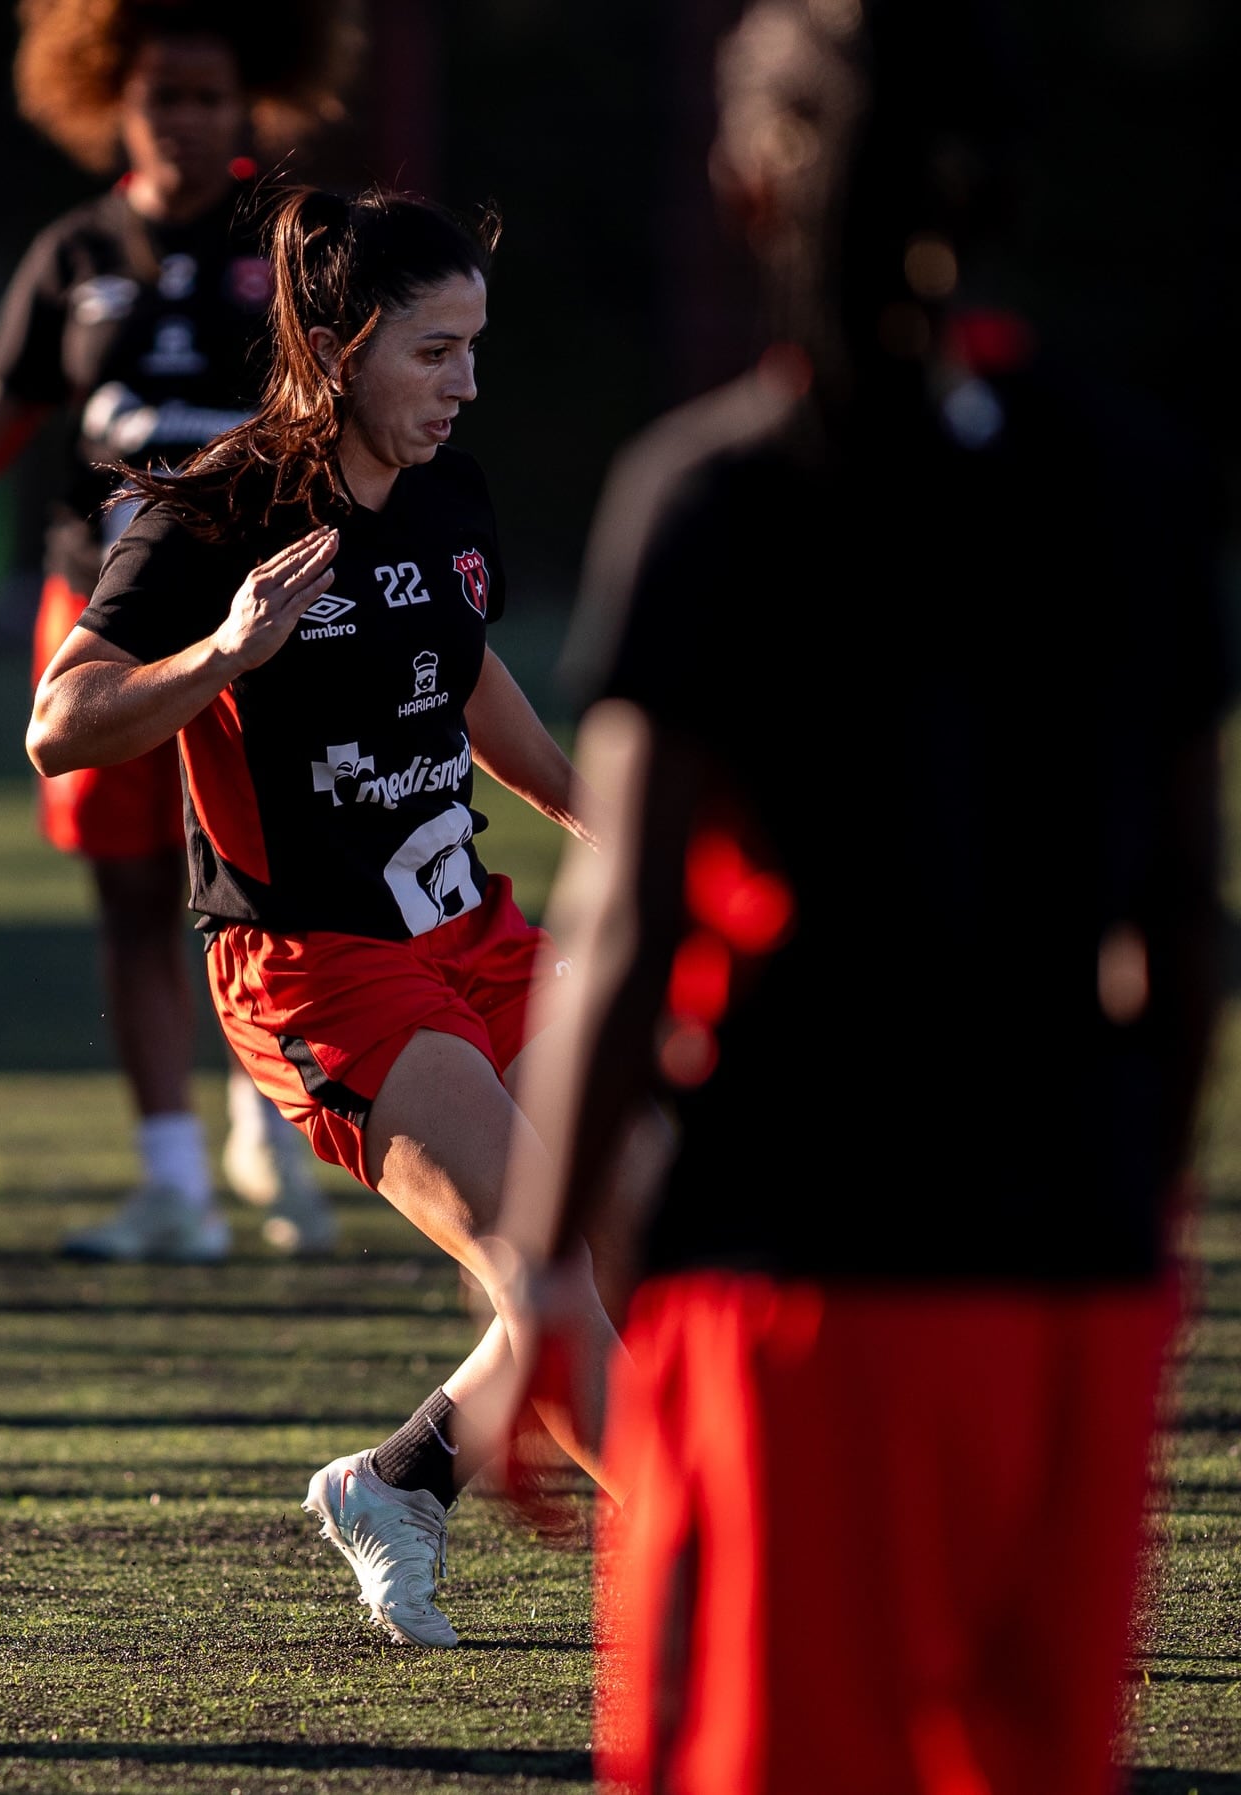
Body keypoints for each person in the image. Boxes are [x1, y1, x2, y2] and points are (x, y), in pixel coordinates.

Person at [492, 2, 1230, 1790]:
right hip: (1066, 1282)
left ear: (753, 189)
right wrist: (1125, 1212)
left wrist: (536, 1275)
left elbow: (629, 925)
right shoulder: (1137, 482)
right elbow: (1187, 924)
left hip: (799, 1279)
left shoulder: (721, 495)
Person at [25, 183, 635, 1648]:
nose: (466, 382)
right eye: (436, 351)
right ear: (343, 343)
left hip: (468, 927)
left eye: (476, 347)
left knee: (650, 1222)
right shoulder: (220, 509)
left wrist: (605, 818)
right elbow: (64, 722)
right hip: (320, 966)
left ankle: (401, 1476)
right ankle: (740, 1570)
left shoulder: (448, 491)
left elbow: (463, 671)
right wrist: (223, 654)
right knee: (545, 1273)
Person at [0, 0, 361, 1263]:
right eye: (164, 94)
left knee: (283, 868)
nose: (186, 118)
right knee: (125, 888)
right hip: (105, 604)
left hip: (270, 601)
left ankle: (279, 1119)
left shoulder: (297, 238)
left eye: (211, 95)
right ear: (114, 97)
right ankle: (171, 1177)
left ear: (249, 102)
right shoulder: (74, 250)